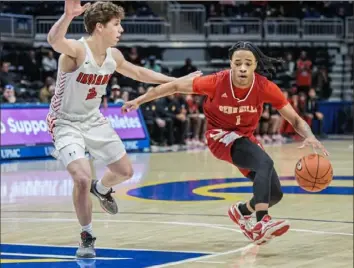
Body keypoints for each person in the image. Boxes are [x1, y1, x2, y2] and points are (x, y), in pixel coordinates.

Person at [122, 41, 329, 245]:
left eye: (248, 63)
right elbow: (174, 86)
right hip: (220, 137)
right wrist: (138, 100)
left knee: (274, 193)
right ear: (230, 63)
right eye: (238, 63)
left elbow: (294, 119)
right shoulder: (215, 82)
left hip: (245, 138)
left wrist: (309, 135)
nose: (242, 68)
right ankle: (262, 222)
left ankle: (241, 211)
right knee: (265, 163)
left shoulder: (265, 86)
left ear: (255, 65)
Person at [46, 0, 196, 258]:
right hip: (65, 122)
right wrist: (68, 16)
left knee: (125, 171)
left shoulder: (114, 56)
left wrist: (177, 81)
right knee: (81, 178)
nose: (121, 29)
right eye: (116, 25)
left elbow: (139, 73)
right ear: (100, 27)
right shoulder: (76, 51)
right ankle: (87, 234)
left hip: (93, 119)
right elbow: (54, 40)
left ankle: (102, 188)